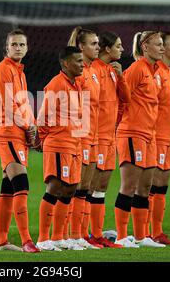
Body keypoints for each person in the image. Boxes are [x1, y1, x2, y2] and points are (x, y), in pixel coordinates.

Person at [113, 31, 165, 248]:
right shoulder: (136, 69)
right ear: (145, 46)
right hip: (133, 132)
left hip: (149, 135)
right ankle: (121, 236)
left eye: (163, 44)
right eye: (158, 44)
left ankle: (142, 236)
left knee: (145, 187)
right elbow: (122, 98)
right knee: (129, 186)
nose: (162, 48)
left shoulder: (155, 72)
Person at [0, 29, 40, 253]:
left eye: (22, 44)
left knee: (8, 187)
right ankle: (26, 240)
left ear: (27, 48)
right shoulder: (4, 70)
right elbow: (9, 106)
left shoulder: (19, 71)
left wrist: (32, 126)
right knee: (22, 184)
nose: (18, 48)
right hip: (9, 132)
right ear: (7, 48)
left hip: (18, 133)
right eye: (14, 45)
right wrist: (28, 126)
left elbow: (23, 104)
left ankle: (1, 241)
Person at [36, 46, 88, 251]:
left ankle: (58, 237)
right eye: (78, 61)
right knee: (55, 187)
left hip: (73, 144)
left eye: (82, 61)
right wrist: (42, 141)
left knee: (70, 189)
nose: (82, 64)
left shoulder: (76, 85)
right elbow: (42, 118)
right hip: (58, 144)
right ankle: (43, 238)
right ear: (66, 63)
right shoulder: (56, 85)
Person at [88, 31, 130, 248]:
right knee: (88, 185)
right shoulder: (92, 70)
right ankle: (83, 233)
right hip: (95, 137)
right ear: (107, 49)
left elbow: (126, 99)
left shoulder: (113, 71)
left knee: (101, 186)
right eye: (119, 45)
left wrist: (121, 77)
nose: (122, 49)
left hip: (109, 135)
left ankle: (95, 234)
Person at [66, 27, 102, 249]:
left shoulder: (94, 70)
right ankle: (70, 234)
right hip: (81, 135)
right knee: (76, 186)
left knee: (86, 187)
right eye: (93, 43)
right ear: (81, 47)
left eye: (98, 43)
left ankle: (80, 234)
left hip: (93, 134)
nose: (97, 47)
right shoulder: (79, 73)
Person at [146, 32, 170, 246]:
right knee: (152, 185)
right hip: (156, 136)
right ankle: (148, 231)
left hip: (169, 137)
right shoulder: (155, 73)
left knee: (162, 185)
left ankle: (157, 232)